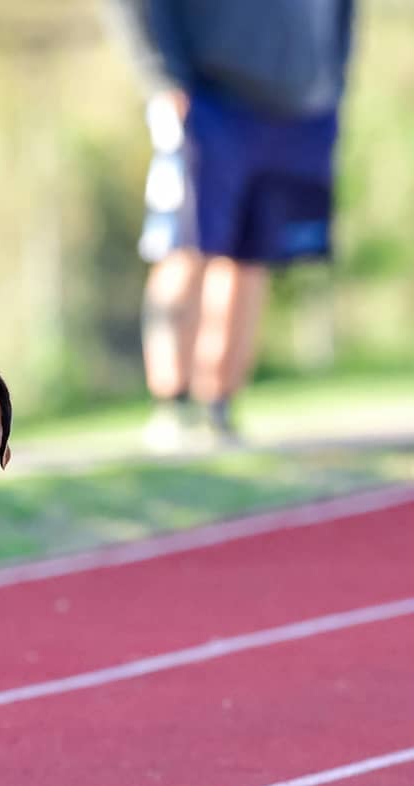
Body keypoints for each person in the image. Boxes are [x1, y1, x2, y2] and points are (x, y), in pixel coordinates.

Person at [112, 0, 355, 450]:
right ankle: (172, 408)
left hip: (299, 106)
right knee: (186, 248)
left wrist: (335, 79)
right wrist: (162, 77)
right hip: (209, 98)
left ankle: (220, 407)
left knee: (251, 257)